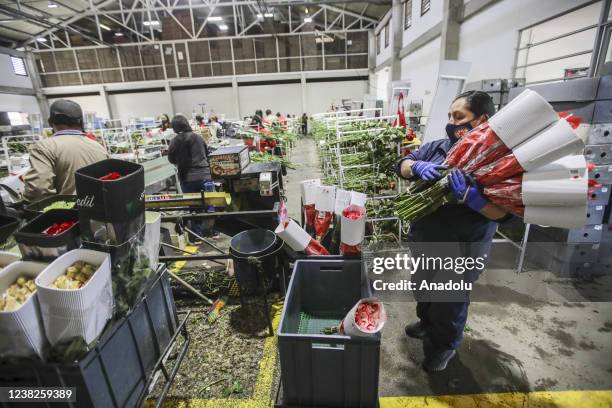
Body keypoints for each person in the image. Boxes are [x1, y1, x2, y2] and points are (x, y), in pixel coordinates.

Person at [397, 91, 510, 372]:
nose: (451, 122)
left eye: (458, 117)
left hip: (463, 247)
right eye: (449, 115)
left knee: (450, 300)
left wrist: (473, 199)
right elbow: (402, 164)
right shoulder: (437, 148)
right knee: (422, 286)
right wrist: (416, 166)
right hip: (425, 239)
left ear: (482, 120)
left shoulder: (495, 162)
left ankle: (445, 345)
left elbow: (504, 214)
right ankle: (426, 322)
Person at [23, 99, 108, 203]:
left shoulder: (45, 147)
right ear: (81, 122)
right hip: (101, 210)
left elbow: (38, 189)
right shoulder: (98, 146)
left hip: (70, 215)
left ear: (50, 122)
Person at [168, 115, 213, 240]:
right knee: (210, 204)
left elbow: (171, 159)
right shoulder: (198, 138)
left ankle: (196, 237)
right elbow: (207, 153)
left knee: (194, 208)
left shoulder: (174, 141)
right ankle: (211, 232)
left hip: (187, 178)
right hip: (204, 176)